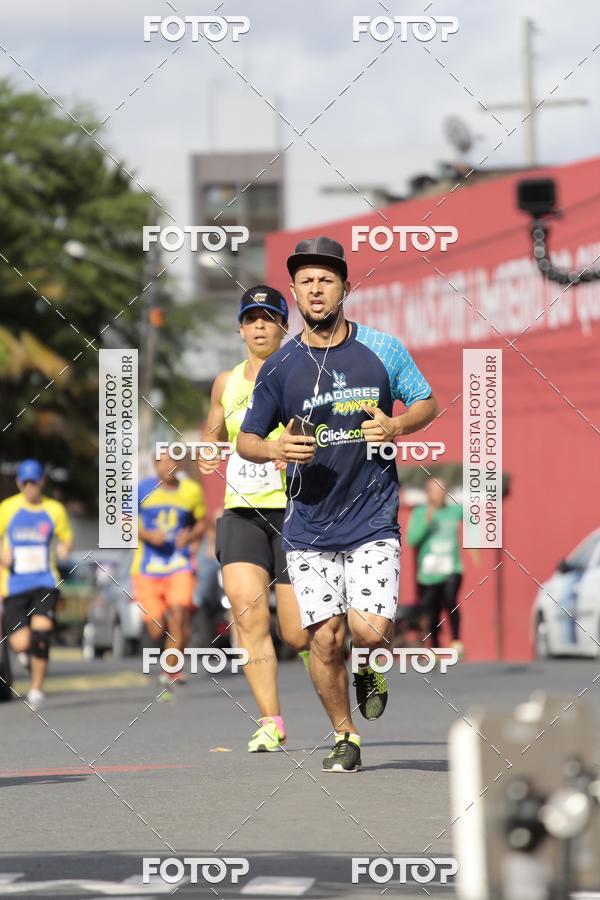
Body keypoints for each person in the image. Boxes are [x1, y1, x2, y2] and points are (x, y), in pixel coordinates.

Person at [237, 237, 437, 772]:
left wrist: (396, 424)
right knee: (321, 639)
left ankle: (370, 665)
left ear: (344, 287)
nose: (316, 289)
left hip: (372, 516)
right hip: (308, 524)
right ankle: (344, 734)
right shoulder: (279, 367)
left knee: (368, 631)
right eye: (306, 282)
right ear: (296, 293)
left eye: (326, 280)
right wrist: (275, 447)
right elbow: (247, 439)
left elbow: (426, 401)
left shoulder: (383, 348)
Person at [199, 285, 308, 753]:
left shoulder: (304, 374)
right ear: (241, 327)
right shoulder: (226, 381)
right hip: (241, 510)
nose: (260, 326)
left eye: (269, 318)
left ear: (285, 326)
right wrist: (207, 450)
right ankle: (271, 720)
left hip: (296, 511)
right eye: (251, 318)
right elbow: (213, 430)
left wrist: (300, 450)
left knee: (298, 632)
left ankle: (337, 671)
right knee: (246, 613)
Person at [0, 459, 73, 709]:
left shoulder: (54, 510)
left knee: (41, 632)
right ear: (19, 483)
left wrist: (64, 548)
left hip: (45, 581)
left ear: (42, 481)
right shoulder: (7, 508)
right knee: (20, 642)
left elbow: (66, 538)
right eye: (26, 482)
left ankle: (36, 689)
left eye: (35, 481)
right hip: (15, 584)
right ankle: (28, 654)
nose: (30, 487)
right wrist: (2, 554)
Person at [131, 450, 206, 692]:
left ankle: (171, 669)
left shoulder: (191, 491)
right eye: (162, 462)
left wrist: (191, 535)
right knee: (155, 629)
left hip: (178, 565)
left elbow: (203, 522)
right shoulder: (142, 490)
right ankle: (171, 656)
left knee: (179, 612)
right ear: (155, 465)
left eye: (172, 461)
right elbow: (123, 521)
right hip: (147, 568)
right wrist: (148, 535)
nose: (167, 466)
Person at [407, 477, 479, 656]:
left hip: (451, 567)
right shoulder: (420, 512)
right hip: (428, 572)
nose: (439, 495)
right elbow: (412, 540)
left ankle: (456, 641)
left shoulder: (454, 511)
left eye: (442, 490)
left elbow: (473, 520)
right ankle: (436, 647)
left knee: (451, 599)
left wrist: (473, 546)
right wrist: (426, 521)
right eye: (435, 491)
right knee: (432, 610)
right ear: (428, 494)